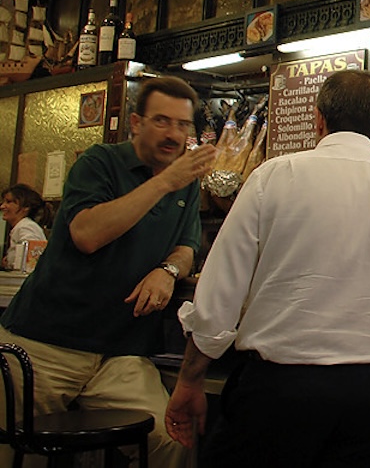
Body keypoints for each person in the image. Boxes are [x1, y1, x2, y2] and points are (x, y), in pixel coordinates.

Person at [165, 68, 370, 467]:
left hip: (283, 388)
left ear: (318, 120)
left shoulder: (273, 177)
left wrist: (190, 379)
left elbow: (218, 296)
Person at [0, 75, 217, 468]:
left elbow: (187, 247)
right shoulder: (99, 162)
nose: (174, 134)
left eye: (183, 125)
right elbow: (86, 234)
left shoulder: (184, 183)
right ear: (136, 123)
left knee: (172, 438)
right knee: (15, 450)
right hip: (46, 342)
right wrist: (165, 181)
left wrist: (167, 270)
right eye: (162, 121)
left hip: (121, 352)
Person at [1, 183, 47, 271]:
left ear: (26, 207)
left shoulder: (26, 227)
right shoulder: (21, 227)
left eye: (9, 202)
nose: (2, 206)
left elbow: (30, 262)